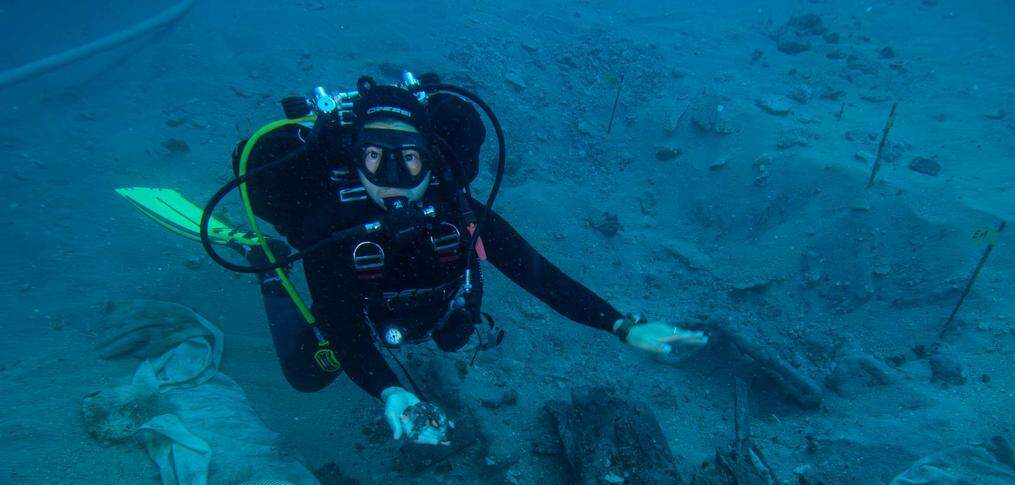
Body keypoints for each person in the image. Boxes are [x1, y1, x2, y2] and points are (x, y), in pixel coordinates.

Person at [227, 73, 707, 444]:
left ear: (431, 157)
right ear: (355, 158)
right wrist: (390, 390)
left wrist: (621, 325)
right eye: (374, 156)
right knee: (307, 374)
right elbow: (343, 326)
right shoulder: (330, 227)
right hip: (365, 306)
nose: (391, 177)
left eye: (408, 158)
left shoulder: (459, 214)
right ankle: (270, 272)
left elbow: (539, 275)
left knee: (453, 334)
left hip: (433, 304)